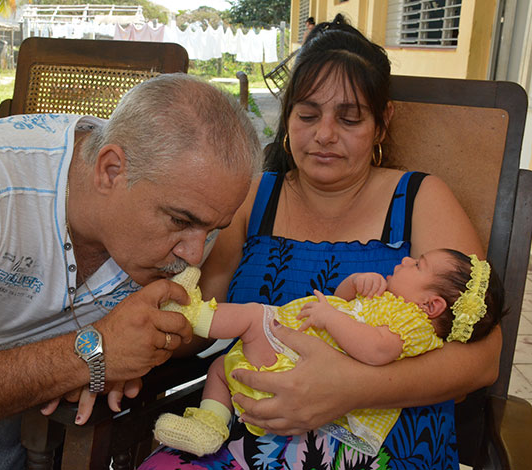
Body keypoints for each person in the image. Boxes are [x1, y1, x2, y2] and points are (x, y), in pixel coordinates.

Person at [141, 15, 500, 469]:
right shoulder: (255, 198)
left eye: (350, 119)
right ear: (288, 115)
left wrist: (348, 387)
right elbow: (202, 316)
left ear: (382, 122)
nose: (325, 135)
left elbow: (482, 361)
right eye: (308, 115)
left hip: (380, 446)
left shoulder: (420, 199)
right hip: (245, 436)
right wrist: (131, 350)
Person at [0, 73, 261, 469]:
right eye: (179, 221)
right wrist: (92, 355)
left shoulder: (194, 208)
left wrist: (142, 349)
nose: (195, 255)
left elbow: (187, 332)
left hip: (18, 402)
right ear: (110, 170)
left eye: (213, 230)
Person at [153, 249, 503, 457]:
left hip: (294, 367)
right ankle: (209, 427)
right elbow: (342, 298)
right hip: (287, 366)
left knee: (253, 316)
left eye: (419, 265)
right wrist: (354, 285)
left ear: (431, 305)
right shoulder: (389, 300)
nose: (408, 259)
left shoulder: (412, 325)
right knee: (219, 368)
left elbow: (376, 350)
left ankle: (189, 312)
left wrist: (329, 316)